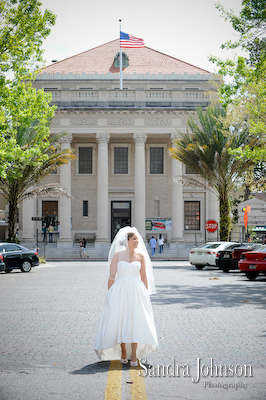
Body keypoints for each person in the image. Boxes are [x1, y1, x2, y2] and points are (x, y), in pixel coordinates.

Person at [94, 226, 158, 366]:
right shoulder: (117, 256)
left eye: (137, 239)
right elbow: (111, 276)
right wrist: (110, 294)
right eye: (134, 239)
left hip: (136, 291)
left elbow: (144, 278)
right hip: (120, 290)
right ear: (127, 240)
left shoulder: (140, 257)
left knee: (135, 320)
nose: (137, 241)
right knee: (121, 319)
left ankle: (134, 353)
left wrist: (146, 294)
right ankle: (123, 350)